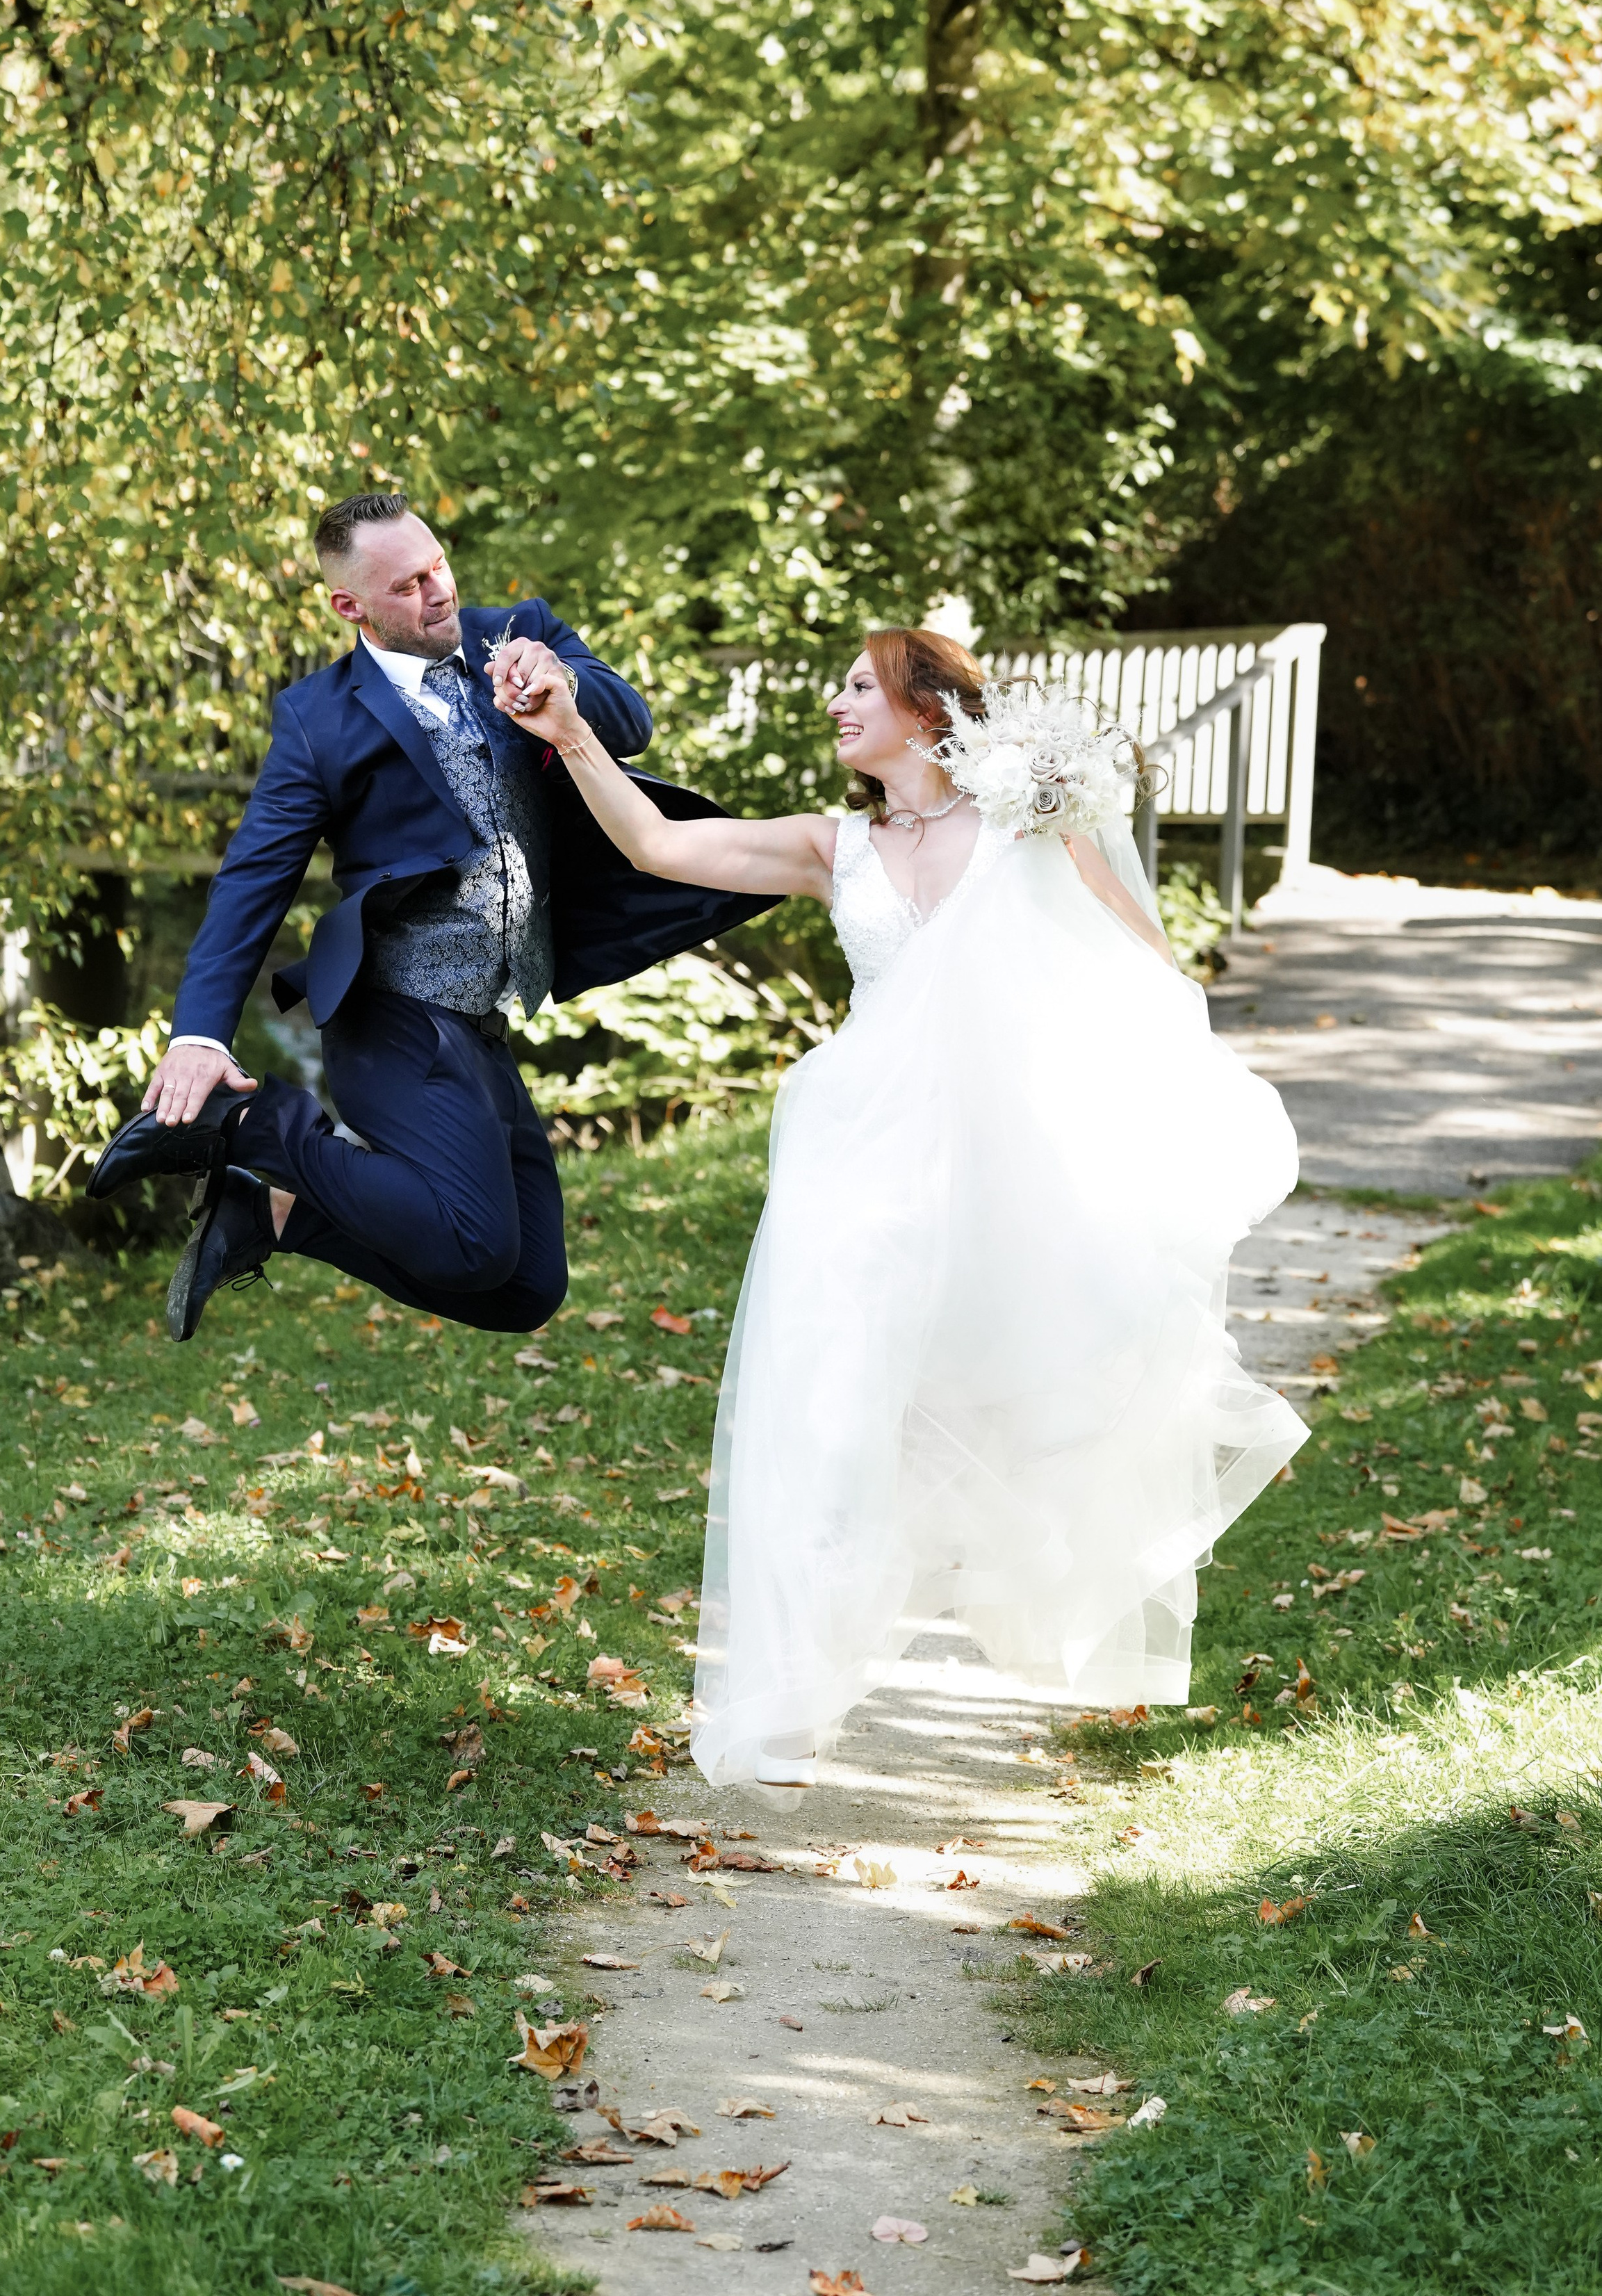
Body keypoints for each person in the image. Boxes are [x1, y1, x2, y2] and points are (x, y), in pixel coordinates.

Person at [494, 624, 1307, 1786]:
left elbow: (1139, 958)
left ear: (925, 711)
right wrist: (569, 733)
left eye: (856, 685)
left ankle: (1018, 1569)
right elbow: (658, 843)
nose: (835, 703)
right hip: (855, 1150)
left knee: (1038, 1380)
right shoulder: (837, 847)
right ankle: (789, 1686)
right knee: (823, 1403)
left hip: (994, 1153)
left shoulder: (1026, 824)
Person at [86, 491, 774, 1340]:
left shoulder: (518, 630)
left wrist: (566, 683)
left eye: (438, 563)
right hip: (393, 1014)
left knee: (525, 1290)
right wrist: (199, 1036)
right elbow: (251, 882)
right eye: (408, 584)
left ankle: (267, 1216)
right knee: (473, 1247)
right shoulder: (318, 719)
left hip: (482, 1018)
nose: (438, 589)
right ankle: (249, 1124)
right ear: (350, 606)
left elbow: (631, 723)